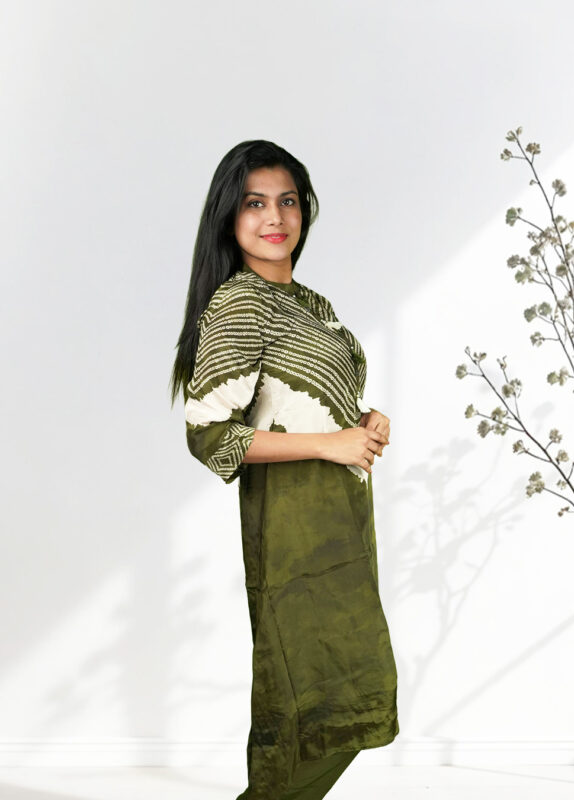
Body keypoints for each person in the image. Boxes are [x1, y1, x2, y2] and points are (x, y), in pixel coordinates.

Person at [169, 140, 399, 799]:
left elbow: (299, 406)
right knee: (309, 703)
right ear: (229, 217)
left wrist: (362, 421)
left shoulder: (309, 303)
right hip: (294, 525)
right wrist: (329, 447)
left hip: (341, 519)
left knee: (347, 697)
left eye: (288, 201)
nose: (275, 216)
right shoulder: (241, 303)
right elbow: (209, 433)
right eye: (255, 203)